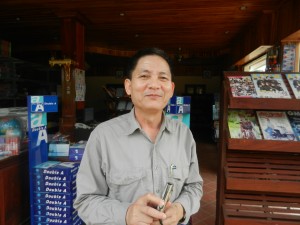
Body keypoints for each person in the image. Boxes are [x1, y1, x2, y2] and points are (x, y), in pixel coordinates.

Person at [74, 47, 203, 225]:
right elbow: (86, 201)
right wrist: (125, 214)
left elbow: (194, 186)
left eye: (163, 78)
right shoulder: (103, 136)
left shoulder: (184, 134)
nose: (155, 85)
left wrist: (181, 208)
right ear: (128, 86)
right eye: (144, 76)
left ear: (171, 89)